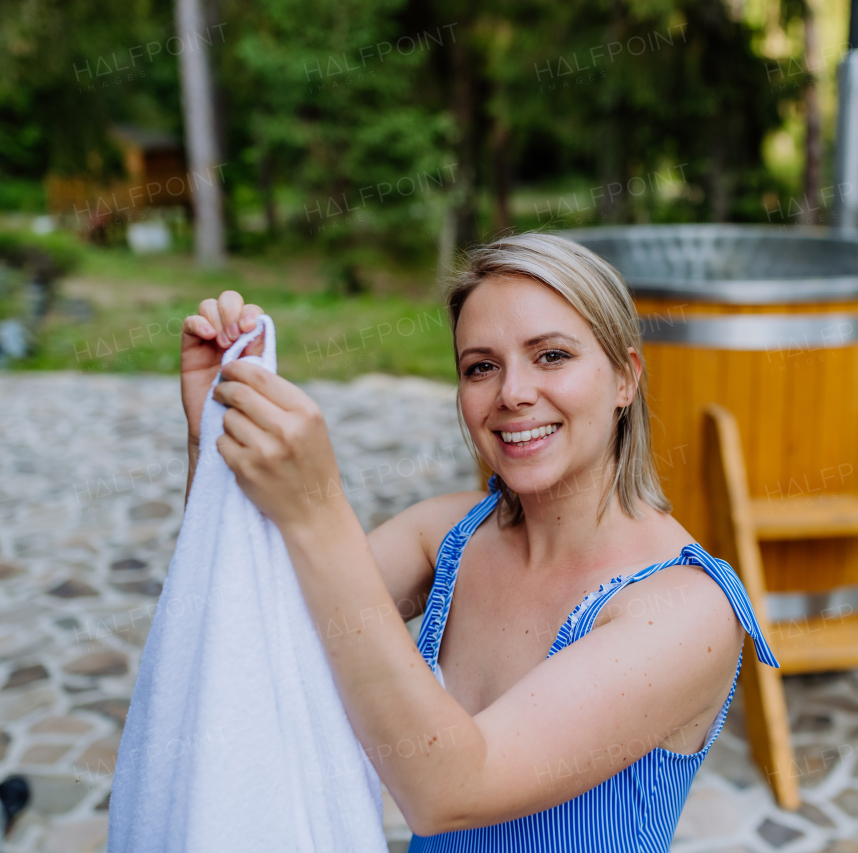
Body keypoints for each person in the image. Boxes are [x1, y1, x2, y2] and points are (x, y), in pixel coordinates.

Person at [178, 233, 778, 851]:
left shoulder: (684, 611)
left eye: (551, 356)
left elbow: (453, 792)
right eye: (481, 367)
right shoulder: (446, 537)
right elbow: (248, 621)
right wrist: (212, 442)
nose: (512, 393)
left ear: (625, 379)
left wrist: (318, 512)